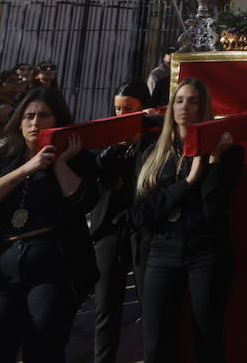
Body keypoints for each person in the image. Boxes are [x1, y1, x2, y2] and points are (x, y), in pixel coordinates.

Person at [0, 89, 98, 363]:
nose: (35, 123)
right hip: (0, 267)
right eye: (29, 116)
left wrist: (58, 162)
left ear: (58, 119)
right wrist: (24, 169)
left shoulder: (76, 157)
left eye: (44, 116)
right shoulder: (1, 156)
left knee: (43, 347)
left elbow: (83, 203)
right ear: (19, 122)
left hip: (51, 265)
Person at [128, 78, 241, 363]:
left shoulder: (226, 153)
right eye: (179, 100)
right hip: (161, 251)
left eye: (192, 101)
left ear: (203, 108)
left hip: (205, 251)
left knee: (207, 338)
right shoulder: (153, 153)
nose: (184, 107)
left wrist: (214, 163)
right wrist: (188, 182)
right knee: (155, 343)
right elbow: (141, 214)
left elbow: (212, 209)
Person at [90, 81, 158, 363]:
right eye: (117, 109)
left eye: (128, 109)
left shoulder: (154, 141)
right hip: (109, 230)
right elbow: (95, 178)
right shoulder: (107, 139)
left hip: (142, 230)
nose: (121, 115)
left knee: (149, 304)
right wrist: (111, 152)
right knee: (106, 306)